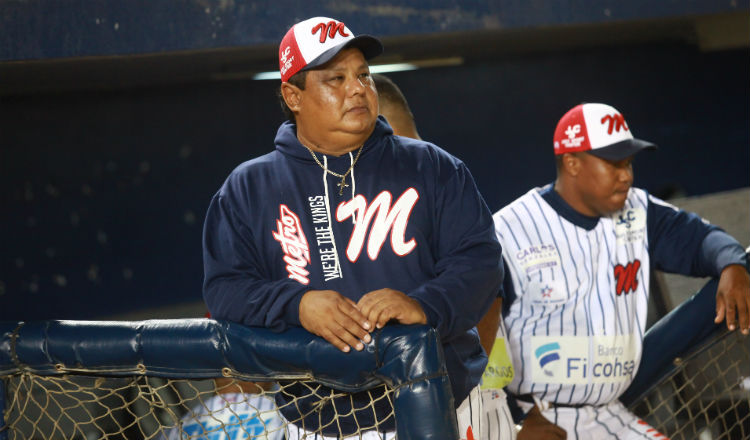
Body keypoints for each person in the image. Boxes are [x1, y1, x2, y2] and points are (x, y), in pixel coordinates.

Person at [202, 16, 504, 440]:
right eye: (336, 78)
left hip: (450, 405)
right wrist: (297, 304)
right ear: (293, 95)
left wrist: (425, 305)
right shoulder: (249, 188)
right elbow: (226, 290)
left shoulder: (432, 166)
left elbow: (482, 261)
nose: (357, 88)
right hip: (323, 423)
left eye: (364, 74)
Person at [493, 102, 750, 439]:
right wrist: (513, 423)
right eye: (613, 164)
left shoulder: (637, 212)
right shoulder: (510, 229)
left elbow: (702, 240)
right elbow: (482, 334)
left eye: (628, 163)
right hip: (538, 420)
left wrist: (733, 265)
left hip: (610, 409)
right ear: (571, 163)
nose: (626, 175)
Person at [372, 72, 517, 440]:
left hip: (467, 395)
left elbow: (490, 298)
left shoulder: (436, 181)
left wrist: (456, 389)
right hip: (444, 395)